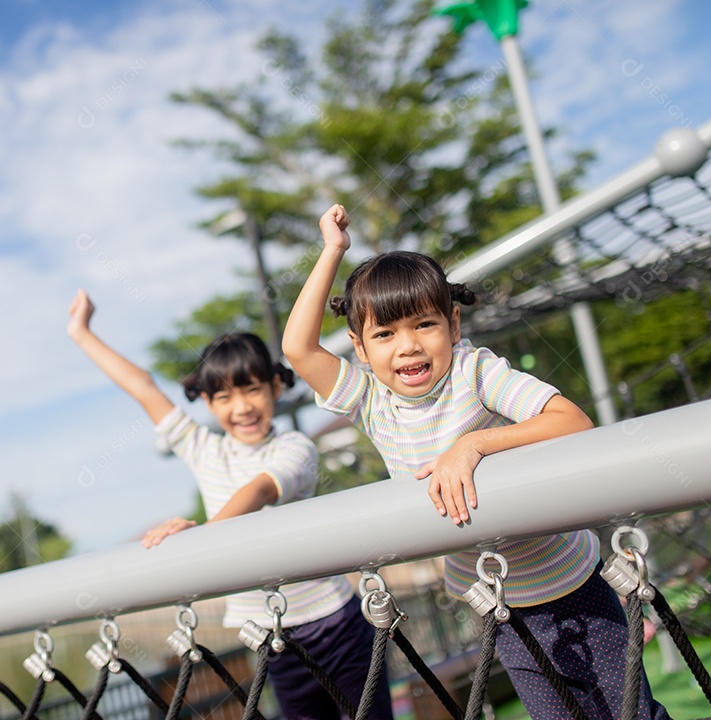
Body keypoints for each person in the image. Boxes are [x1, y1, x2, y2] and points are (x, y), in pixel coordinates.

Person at [282, 204, 670, 720]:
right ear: (359, 347)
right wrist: (332, 249)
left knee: (631, 714)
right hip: (496, 603)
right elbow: (297, 347)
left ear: (454, 322)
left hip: (570, 584)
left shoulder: (474, 372)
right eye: (384, 334)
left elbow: (572, 421)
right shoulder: (371, 401)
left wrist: (474, 445)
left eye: (425, 324)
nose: (409, 346)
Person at [68, 288, 393, 720]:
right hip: (269, 637)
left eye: (252, 390)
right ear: (207, 402)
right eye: (223, 397)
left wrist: (204, 536)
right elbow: (143, 386)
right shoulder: (203, 449)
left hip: (334, 624)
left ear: (276, 385)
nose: (241, 407)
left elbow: (259, 490)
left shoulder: (295, 447)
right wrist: (82, 333)